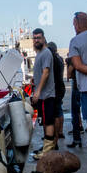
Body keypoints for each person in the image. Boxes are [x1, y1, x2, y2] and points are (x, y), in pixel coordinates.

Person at [67, 12, 87, 158]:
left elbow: (77, 66)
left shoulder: (75, 41)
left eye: (74, 24)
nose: (74, 27)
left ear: (77, 24)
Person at [30, 29, 58, 158]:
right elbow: (41, 72)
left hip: (46, 95)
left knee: (49, 122)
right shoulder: (40, 53)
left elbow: (46, 73)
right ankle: (47, 149)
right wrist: (34, 80)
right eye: (34, 38)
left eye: (39, 38)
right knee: (46, 122)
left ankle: (47, 151)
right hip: (43, 95)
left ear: (43, 38)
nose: (36, 40)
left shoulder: (46, 53)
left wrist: (38, 91)